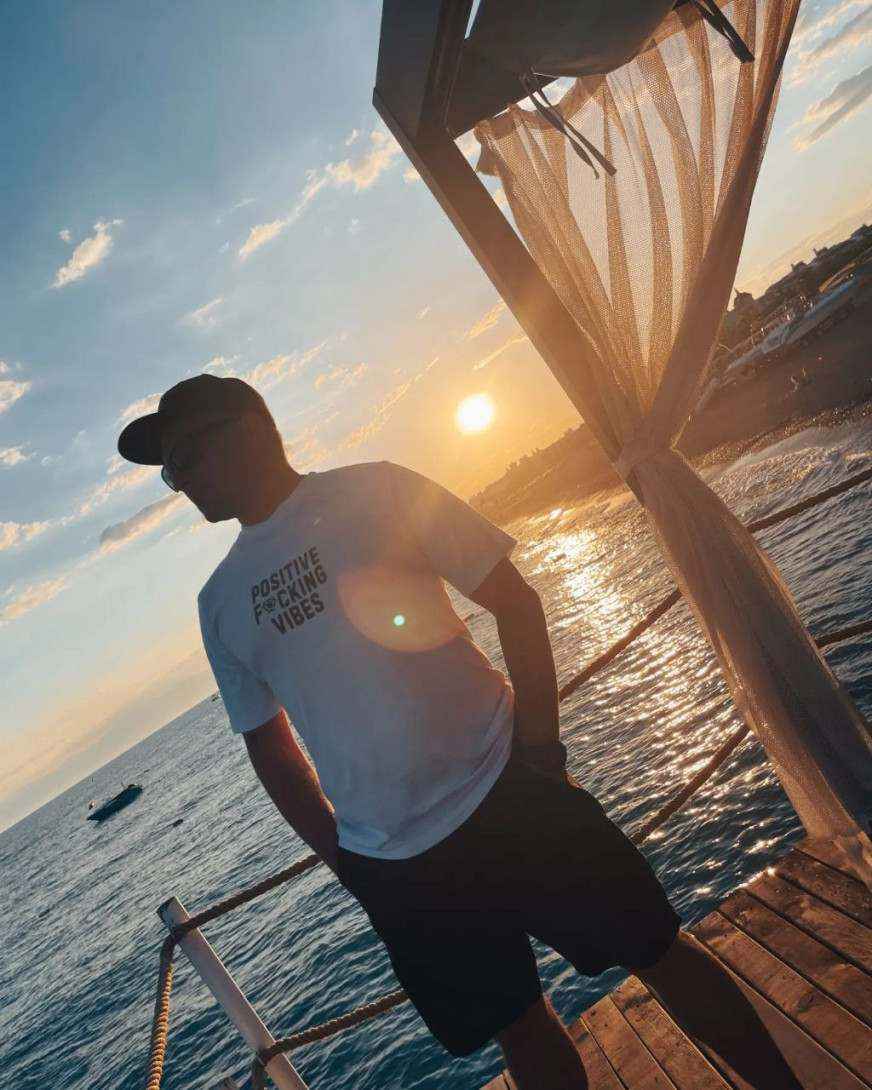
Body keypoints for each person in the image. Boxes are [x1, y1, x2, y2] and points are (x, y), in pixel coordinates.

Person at [118, 373, 801, 1090]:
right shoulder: (219, 603)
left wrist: (541, 752)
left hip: (509, 786)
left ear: (245, 430)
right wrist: (350, 865)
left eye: (184, 458)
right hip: (400, 865)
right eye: (169, 473)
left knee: (656, 950)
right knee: (520, 1027)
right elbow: (271, 749)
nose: (179, 483)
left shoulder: (377, 489)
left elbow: (516, 602)